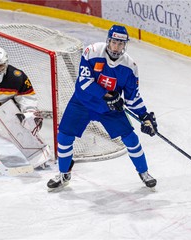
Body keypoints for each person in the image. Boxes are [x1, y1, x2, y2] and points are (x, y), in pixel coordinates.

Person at [47, 25, 158, 191]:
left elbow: (132, 97)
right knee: (64, 137)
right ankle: (64, 174)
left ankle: (144, 172)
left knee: (131, 139)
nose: (116, 47)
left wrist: (144, 116)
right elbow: (84, 82)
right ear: (108, 41)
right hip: (82, 102)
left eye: (121, 44)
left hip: (108, 109)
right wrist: (109, 96)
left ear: (125, 45)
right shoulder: (91, 52)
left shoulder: (130, 67)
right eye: (114, 42)